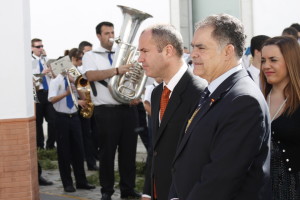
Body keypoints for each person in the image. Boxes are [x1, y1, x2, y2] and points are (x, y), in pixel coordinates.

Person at [168, 14, 271, 200]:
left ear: (228, 51)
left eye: (201, 48)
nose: (193, 54)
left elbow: (221, 179)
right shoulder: (215, 90)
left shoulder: (244, 100)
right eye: (193, 47)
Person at [138, 24, 207, 200]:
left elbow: (200, 158)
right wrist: (147, 191)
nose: (140, 59)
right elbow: (156, 148)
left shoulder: (200, 92)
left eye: (145, 51)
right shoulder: (156, 93)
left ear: (168, 51)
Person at [82, 21, 140, 200]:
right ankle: (107, 191)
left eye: (112, 32)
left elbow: (134, 76)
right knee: (107, 154)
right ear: (99, 36)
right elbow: (90, 75)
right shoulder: (91, 55)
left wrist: (136, 92)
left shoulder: (122, 54)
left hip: (128, 110)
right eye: (106, 33)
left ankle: (127, 189)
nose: (111, 36)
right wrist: (116, 70)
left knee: (129, 153)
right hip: (106, 112)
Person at [261, 36, 300, 199]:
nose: (266, 66)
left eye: (273, 60)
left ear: (290, 61)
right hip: (260, 189)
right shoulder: (256, 99)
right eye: (263, 60)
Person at [48, 64, 95, 193]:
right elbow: (51, 99)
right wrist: (66, 93)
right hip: (61, 118)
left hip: (74, 117)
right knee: (64, 152)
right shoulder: (55, 81)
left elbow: (83, 98)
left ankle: (81, 181)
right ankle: (67, 183)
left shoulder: (73, 80)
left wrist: (76, 85)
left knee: (79, 151)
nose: (68, 69)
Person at [67, 48, 98, 171]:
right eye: (80, 58)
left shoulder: (82, 70)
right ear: (74, 58)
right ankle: (81, 162)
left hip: (87, 102)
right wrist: (78, 100)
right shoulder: (69, 71)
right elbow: (68, 89)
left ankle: (91, 161)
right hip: (77, 106)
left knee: (89, 135)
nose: (82, 61)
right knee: (80, 137)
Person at [31, 38, 56, 149]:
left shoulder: (45, 60)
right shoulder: (31, 61)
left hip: (48, 92)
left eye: (42, 46)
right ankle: (40, 146)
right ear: (32, 48)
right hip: (38, 93)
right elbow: (32, 80)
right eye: (38, 47)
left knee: (53, 120)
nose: (41, 49)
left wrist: (51, 73)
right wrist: (42, 73)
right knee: (38, 122)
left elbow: (53, 76)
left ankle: (50, 146)